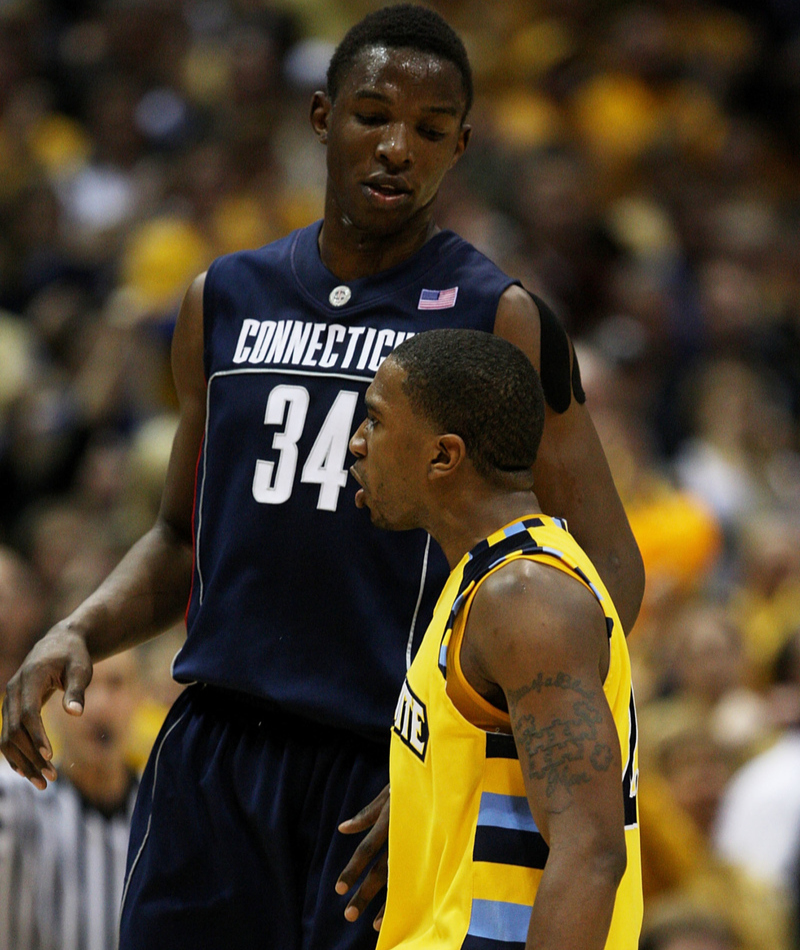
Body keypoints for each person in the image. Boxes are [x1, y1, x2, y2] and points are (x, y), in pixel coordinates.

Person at [1, 6, 643, 949]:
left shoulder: (495, 316)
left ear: (461, 147)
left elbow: (604, 572)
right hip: (214, 755)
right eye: (372, 116)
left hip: (380, 770)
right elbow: (183, 538)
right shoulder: (221, 297)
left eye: (428, 132)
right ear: (320, 117)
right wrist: (81, 625)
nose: (396, 149)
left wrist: (454, 759)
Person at [347, 328, 642, 949]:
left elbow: (590, 853)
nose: (356, 443)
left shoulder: (525, 596)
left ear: (442, 457)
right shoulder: (489, 577)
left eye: (374, 421)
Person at [0, 652, 140, 950]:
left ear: (140, 697)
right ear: (47, 705)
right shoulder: (16, 800)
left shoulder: (167, 811)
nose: (100, 706)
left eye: (115, 684)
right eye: (80, 687)